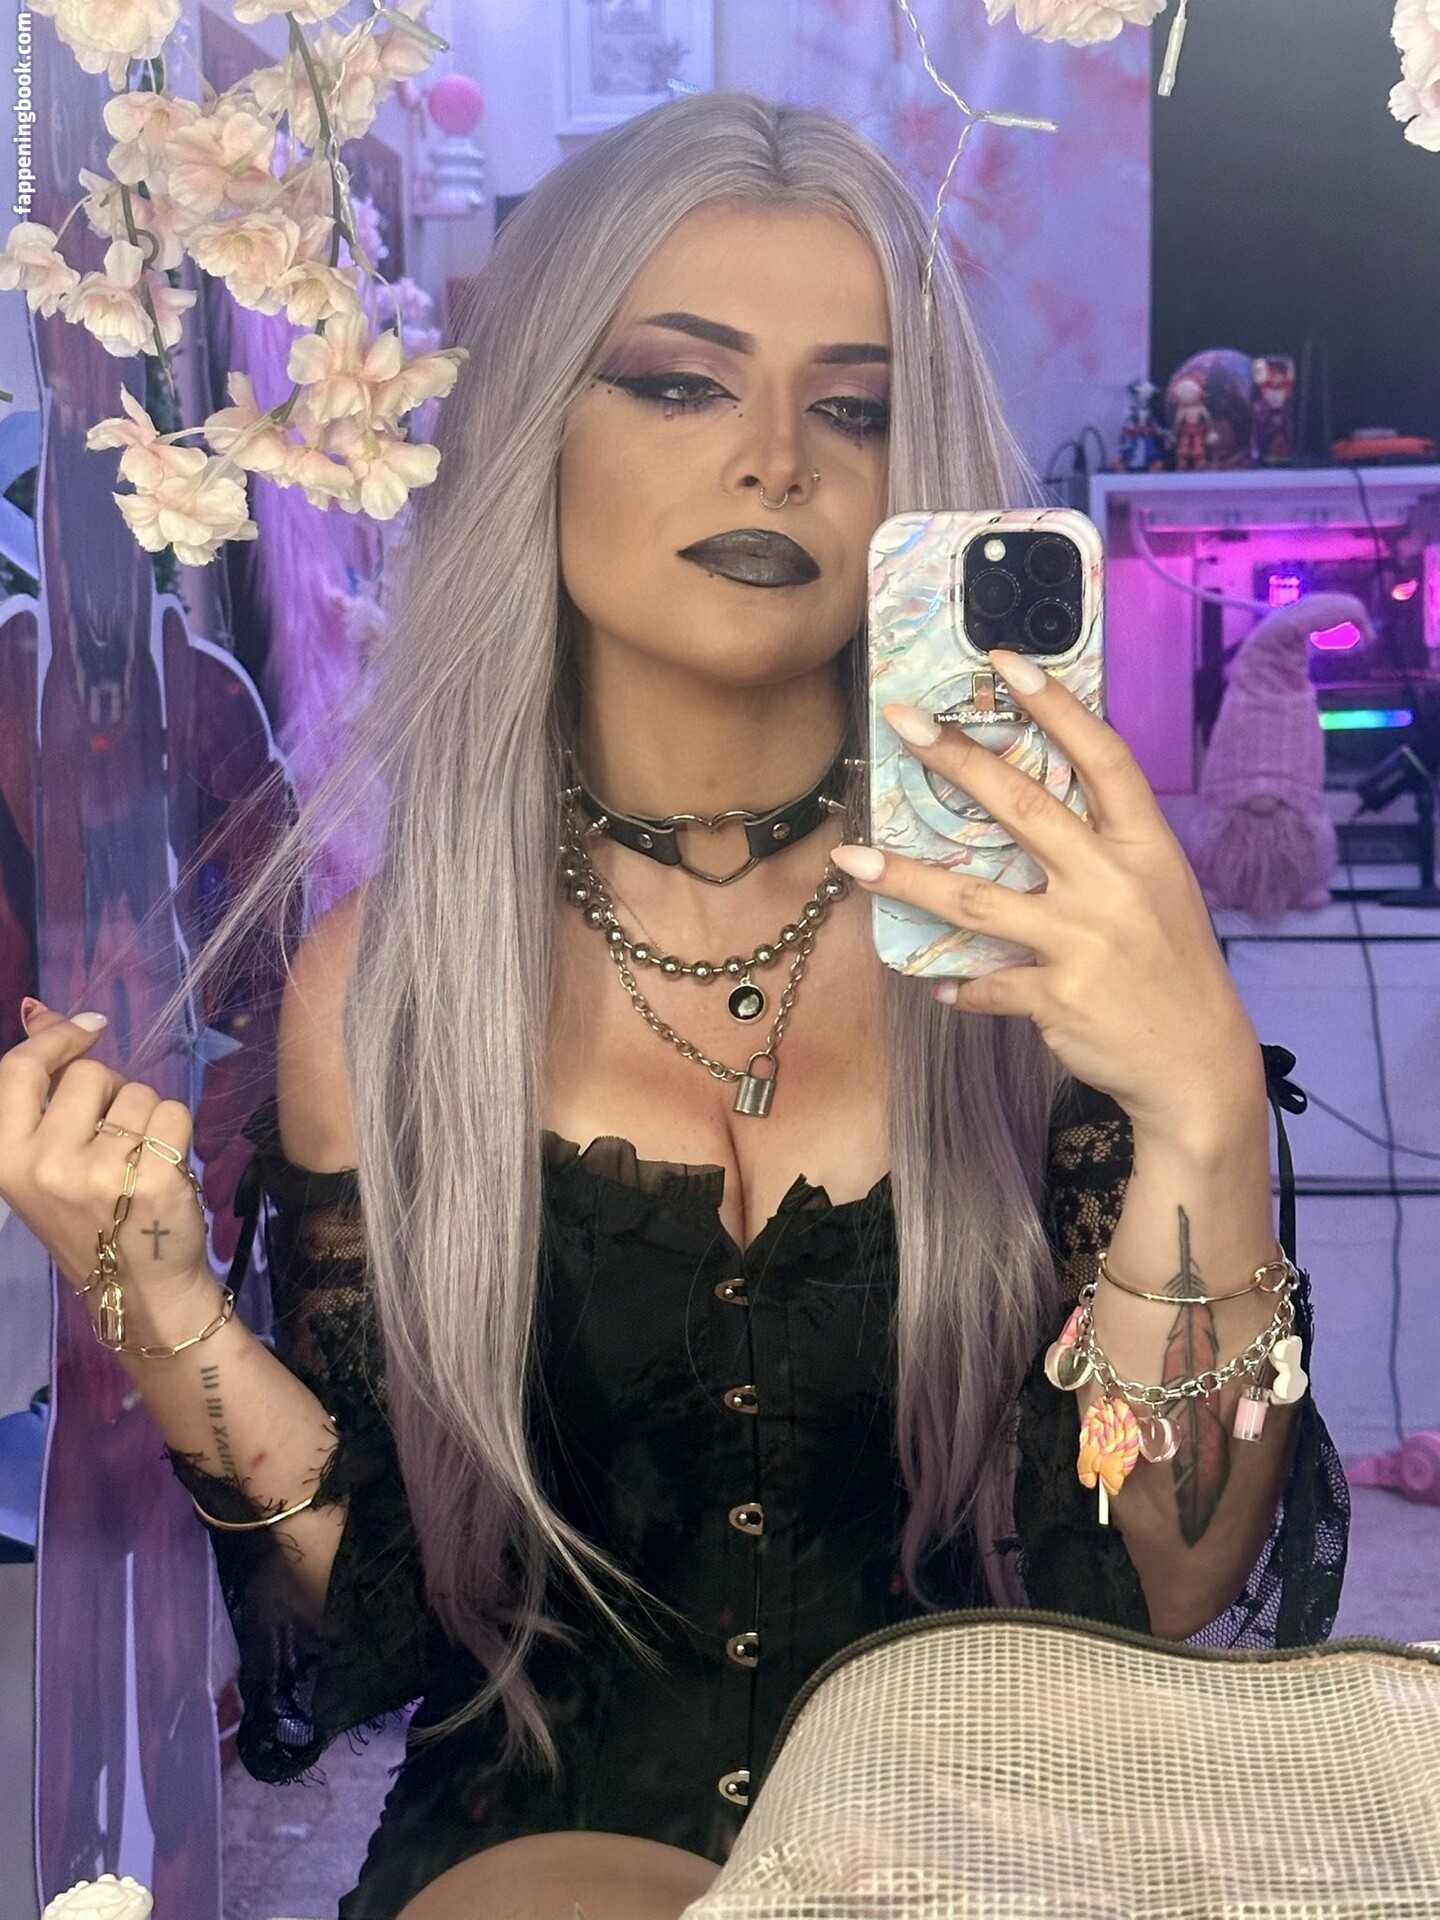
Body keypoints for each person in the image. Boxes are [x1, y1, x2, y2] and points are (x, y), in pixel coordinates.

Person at [0, 94, 1347, 1920]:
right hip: (538, 1858)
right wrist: (163, 1306)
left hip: (989, 1853)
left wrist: (1201, 1107)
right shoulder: (390, 988)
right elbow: (396, 1608)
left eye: (853, 408)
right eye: (681, 383)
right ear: (535, 430)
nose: (776, 460)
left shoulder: (1053, 955)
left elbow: (1164, 1587)